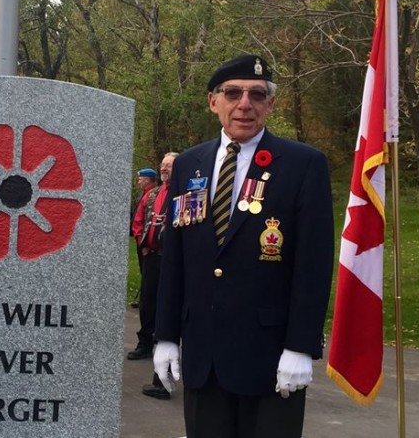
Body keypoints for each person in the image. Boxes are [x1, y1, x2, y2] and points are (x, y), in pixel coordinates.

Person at [152, 54, 333, 437]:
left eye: (257, 94)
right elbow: (176, 260)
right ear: (213, 101)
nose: (244, 104)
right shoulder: (189, 164)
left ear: (271, 103)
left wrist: (301, 346)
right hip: (203, 355)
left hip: (270, 358)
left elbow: (312, 265)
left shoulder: (303, 165)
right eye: (232, 93)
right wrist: (166, 335)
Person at [127, 153, 177, 361]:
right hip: (152, 257)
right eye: (163, 165)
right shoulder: (152, 194)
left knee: (171, 302)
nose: (164, 169)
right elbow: (138, 221)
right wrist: (143, 244)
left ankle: (167, 345)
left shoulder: (185, 193)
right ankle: (145, 342)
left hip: (174, 260)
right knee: (147, 302)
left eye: (170, 166)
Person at [129, 167, 158, 306]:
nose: (138, 182)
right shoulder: (145, 194)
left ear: (147, 180)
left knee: (148, 273)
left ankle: (147, 302)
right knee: (144, 271)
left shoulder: (152, 195)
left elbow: (144, 221)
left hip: (144, 242)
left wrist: (143, 242)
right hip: (140, 240)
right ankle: (144, 300)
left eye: (140, 180)